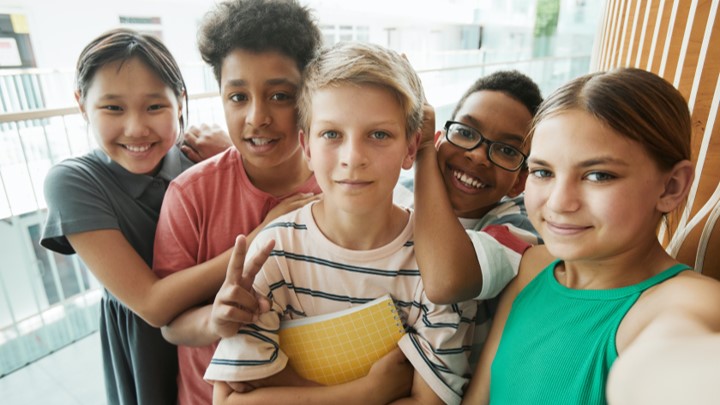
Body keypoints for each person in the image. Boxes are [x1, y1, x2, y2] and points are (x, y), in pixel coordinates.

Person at [203, 41, 476, 405]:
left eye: (379, 135)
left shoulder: (437, 265)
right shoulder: (275, 252)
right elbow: (228, 400)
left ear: (412, 148)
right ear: (308, 147)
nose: (353, 158)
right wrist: (369, 392)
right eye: (332, 134)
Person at [461, 67, 720, 404]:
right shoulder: (532, 267)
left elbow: (672, 360)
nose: (559, 202)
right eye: (543, 172)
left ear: (671, 186)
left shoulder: (690, 302)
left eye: (598, 175)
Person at [40, 28, 230, 405]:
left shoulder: (201, 159)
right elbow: (152, 303)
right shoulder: (73, 182)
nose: (136, 128)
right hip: (145, 345)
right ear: (81, 105)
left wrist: (231, 157)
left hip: (215, 335)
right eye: (113, 108)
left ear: (180, 102)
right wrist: (255, 241)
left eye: (154, 106)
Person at [151, 0, 324, 403]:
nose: (256, 117)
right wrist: (217, 318)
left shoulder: (340, 184)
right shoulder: (191, 194)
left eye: (280, 96)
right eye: (238, 96)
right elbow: (170, 326)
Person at [394, 71, 542, 366]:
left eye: (506, 150)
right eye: (465, 132)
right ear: (440, 139)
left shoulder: (518, 229)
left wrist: (424, 154)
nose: (478, 156)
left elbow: (444, 281)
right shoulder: (397, 195)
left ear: (520, 181)